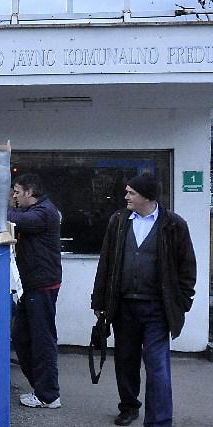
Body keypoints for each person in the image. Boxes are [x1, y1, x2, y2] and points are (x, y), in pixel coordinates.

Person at [91, 173, 196, 427]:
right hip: (124, 306)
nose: (126, 196)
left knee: (157, 366)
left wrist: (182, 301)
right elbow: (105, 263)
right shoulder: (118, 221)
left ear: (146, 196)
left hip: (157, 310)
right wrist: (99, 303)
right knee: (125, 362)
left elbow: (187, 267)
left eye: (131, 193)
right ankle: (128, 406)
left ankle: (159, 421)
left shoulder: (173, 224)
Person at [0, 173, 62, 409]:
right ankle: (41, 389)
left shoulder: (45, 212)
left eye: (17, 192)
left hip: (41, 285)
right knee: (21, 337)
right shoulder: (37, 211)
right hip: (31, 285)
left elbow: (21, 220)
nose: (15, 197)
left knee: (42, 340)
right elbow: (19, 218)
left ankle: (48, 395)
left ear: (30, 192)